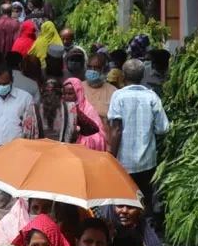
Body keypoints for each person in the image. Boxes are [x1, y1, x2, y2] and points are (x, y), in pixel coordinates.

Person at [107, 59, 170, 212]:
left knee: (123, 203)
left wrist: (111, 158)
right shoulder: (152, 96)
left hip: (123, 161)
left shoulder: (118, 96)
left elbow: (116, 129)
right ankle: (145, 232)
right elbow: (163, 128)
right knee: (143, 204)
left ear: (123, 75)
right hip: (147, 163)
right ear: (142, 75)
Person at [63, 77, 106, 151]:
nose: (66, 97)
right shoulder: (62, 108)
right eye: (64, 94)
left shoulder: (88, 109)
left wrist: (79, 136)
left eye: (70, 94)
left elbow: (98, 135)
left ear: (78, 93)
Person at [83, 53, 117, 139]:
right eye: (89, 67)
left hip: (104, 143)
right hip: (80, 144)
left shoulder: (113, 92)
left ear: (103, 70)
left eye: (96, 68)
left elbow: (116, 126)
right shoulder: (78, 88)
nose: (92, 70)